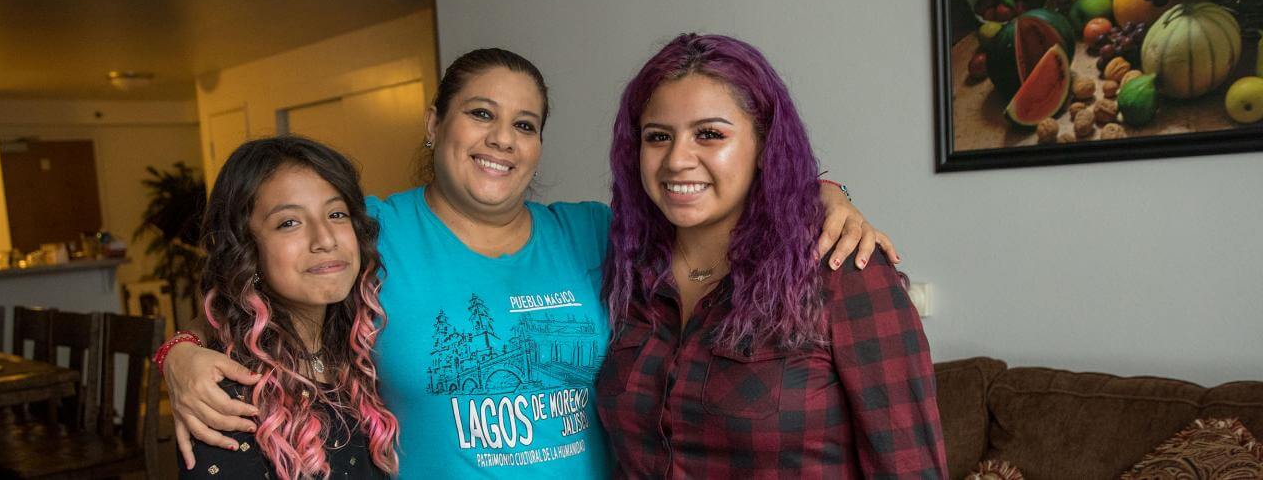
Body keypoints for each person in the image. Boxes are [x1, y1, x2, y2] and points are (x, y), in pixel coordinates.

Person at [163, 47, 900, 477]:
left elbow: (710, 207)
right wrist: (181, 351)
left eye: (525, 124)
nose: (502, 140)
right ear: (436, 122)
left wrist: (821, 195)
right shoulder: (370, 230)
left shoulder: (595, 233)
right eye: (480, 113)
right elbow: (272, 287)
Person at [596, 34, 945, 477]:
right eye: (658, 136)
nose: (677, 160)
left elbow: (911, 468)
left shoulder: (842, 269)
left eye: (709, 134)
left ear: (764, 147)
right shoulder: (625, 274)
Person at [175, 136, 398, 479]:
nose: (325, 239)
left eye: (336, 214)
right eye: (289, 222)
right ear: (246, 251)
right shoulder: (227, 397)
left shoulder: (362, 354)